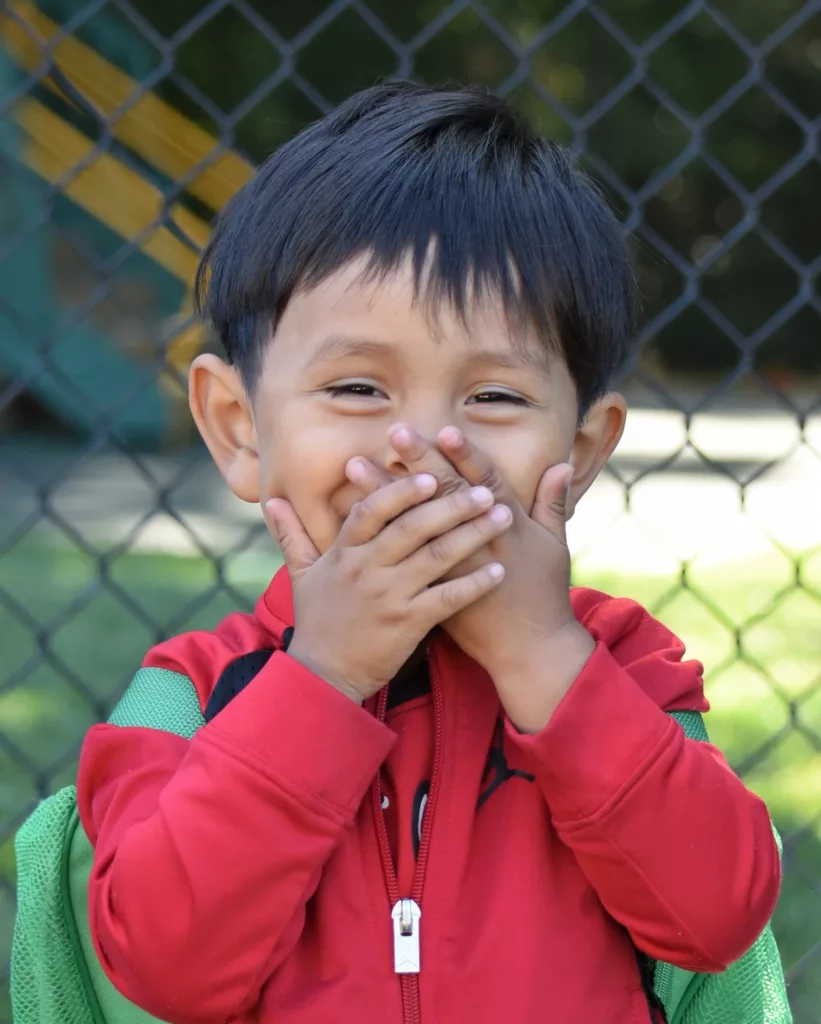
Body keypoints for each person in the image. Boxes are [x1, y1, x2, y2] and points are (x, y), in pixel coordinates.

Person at [76, 81, 780, 1023]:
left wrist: (540, 657)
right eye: (359, 387)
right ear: (240, 429)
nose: (421, 447)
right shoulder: (187, 699)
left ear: (577, 451)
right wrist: (322, 679)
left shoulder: (626, 672)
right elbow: (162, 964)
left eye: (493, 398)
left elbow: (718, 920)